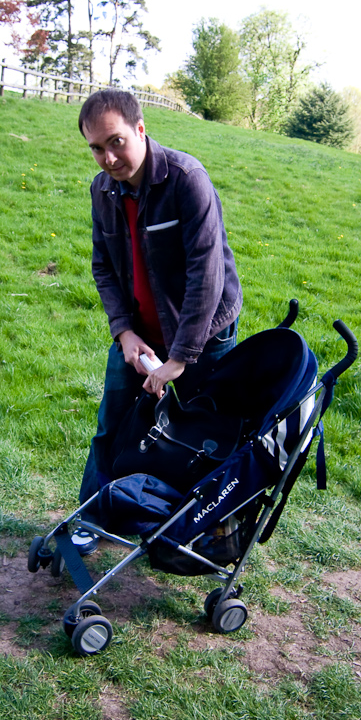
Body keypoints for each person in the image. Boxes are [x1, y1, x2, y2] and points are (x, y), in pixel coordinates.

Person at [74, 89, 242, 553]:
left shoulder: (187, 179)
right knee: (112, 426)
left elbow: (205, 274)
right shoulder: (101, 191)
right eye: (96, 147)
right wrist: (124, 332)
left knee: (202, 436)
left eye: (116, 142)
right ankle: (92, 515)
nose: (108, 158)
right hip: (139, 336)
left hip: (204, 335)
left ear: (141, 130)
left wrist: (182, 358)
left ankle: (203, 533)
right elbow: (104, 266)